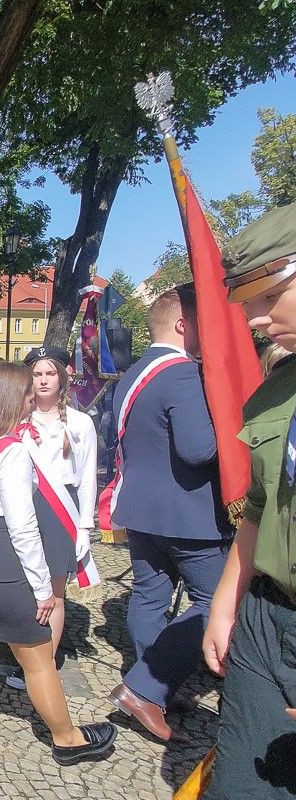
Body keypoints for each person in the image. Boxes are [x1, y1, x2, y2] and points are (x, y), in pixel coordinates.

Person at [0, 361, 116, 782]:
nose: (33, 400)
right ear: (13, 399)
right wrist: (42, 588)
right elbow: (23, 526)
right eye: (28, 395)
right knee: (38, 659)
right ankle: (68, 739)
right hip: (0, 557)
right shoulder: (11, 450)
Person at [106, 284, 232, 742]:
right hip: (188, 515)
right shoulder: (182, 375)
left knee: (150, 596)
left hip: (141, 509)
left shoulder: (134, 373)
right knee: (215, 602)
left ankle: (158, 683)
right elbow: (199, 449)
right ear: (184, 324)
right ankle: (146, 688)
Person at [203, 202, 296, 799]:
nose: (256, 321)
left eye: (267, 297)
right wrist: (225, 601)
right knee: (241, 785)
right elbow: (259, 510)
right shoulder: (275, 394)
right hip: (267, 617)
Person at [5, 345, 97, 691]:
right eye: (37, 374)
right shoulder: (17, 421)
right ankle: (23, 655)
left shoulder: (80, 422)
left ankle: (44, 663)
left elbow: (87, 477)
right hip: (23, 509)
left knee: (54, 592)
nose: (43, 380)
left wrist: (85, 526)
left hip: (60, 512)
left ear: (63, 377)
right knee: (24, 586)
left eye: (49, 373)